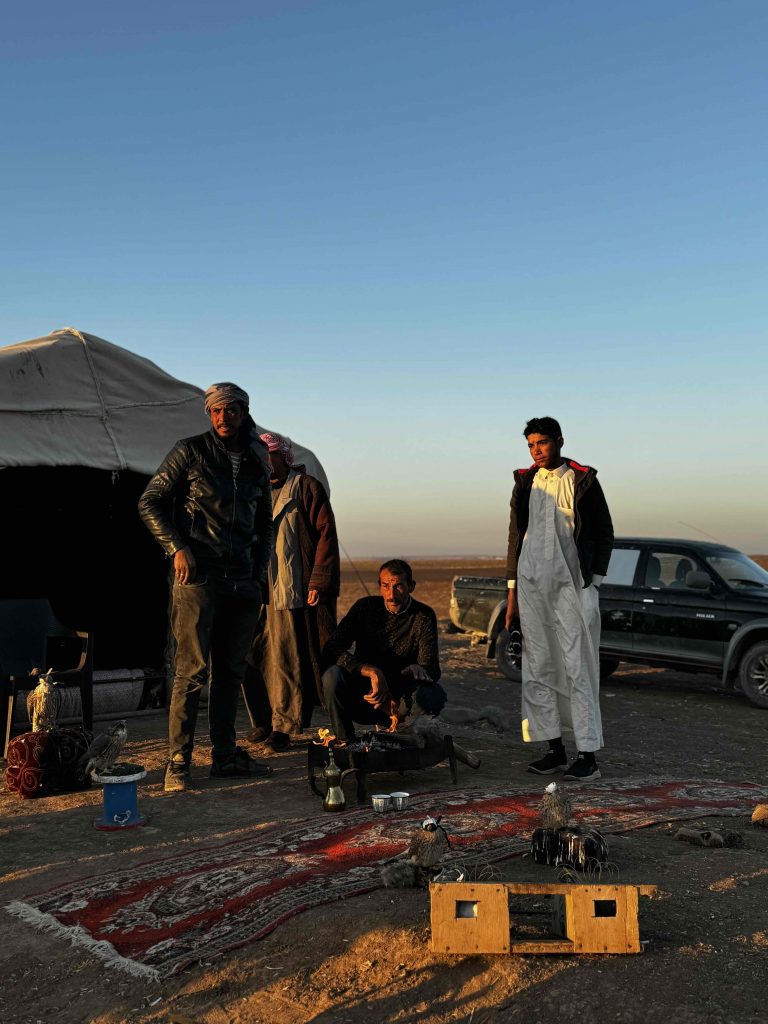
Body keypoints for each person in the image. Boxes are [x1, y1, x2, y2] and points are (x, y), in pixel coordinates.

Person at [138, 382, 274, 792]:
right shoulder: (190, 450)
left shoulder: (256, 459)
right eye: (215, 411)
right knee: (192, 671)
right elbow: (150, 501)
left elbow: (264, 523)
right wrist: (176, 547)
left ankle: (225, 755)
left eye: (230, 410)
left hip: (243, 579)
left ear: (244, 411)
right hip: (200, 577)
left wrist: (259, 571)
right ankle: (178, 761)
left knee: (230, 673)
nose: (222, 417)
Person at [504, 417, 613, 782]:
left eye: (543, 443)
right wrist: (512, 591)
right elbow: (515, 537)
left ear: (560, 441)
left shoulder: (582, 481)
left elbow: (603, 530)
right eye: (531, 444)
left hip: (572, 587)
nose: (536, 450)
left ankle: (588, 755)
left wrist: (593, 581)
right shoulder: (526, 482)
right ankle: (553, 749)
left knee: (578, 665)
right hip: (532, 585)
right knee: (538, 665)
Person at [241, 431, 340, 751]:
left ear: (282, 457)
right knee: (247, 655)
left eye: (265, 457)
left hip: (287, 587)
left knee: (282, 659)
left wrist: (318, 581)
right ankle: (262, 721)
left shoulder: (305, 488)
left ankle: (283, 727)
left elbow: (326, 535)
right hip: (252, 588)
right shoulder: (249, 491)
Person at [321, 559, 443, 743]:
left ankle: (405, 736)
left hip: (398, 703)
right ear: (379, 586)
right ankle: (345, 741)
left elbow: (432, 669)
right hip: (366, 697)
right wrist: (371, 671)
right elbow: (332, 649)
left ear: (411, 586)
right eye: (385, 586)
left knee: (433, 693)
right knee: (332, 676)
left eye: (398, 586)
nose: (391, 594)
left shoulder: (423, 616)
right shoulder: (365, 608)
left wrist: (418, 669)